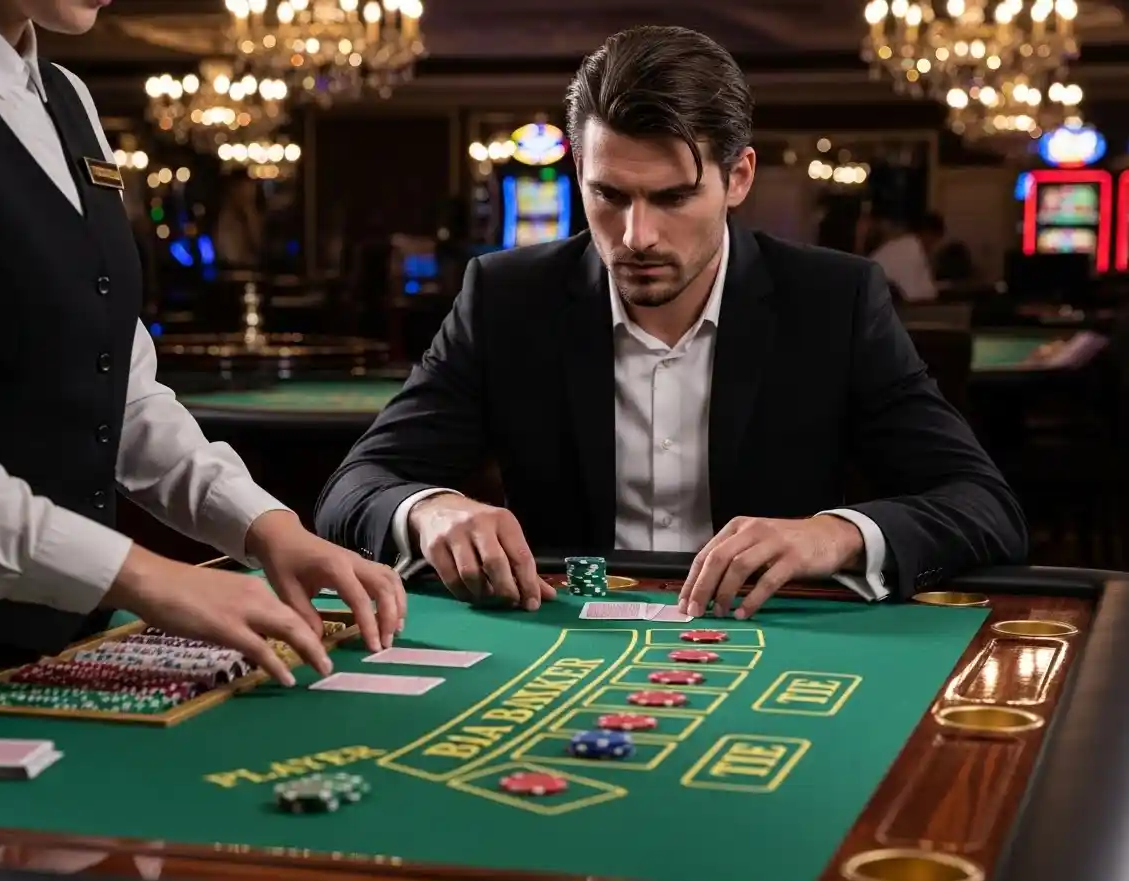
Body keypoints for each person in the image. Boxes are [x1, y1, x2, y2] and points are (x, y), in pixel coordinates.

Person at [315, 25, 1027, 621]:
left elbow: (983, 506)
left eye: (673, 197)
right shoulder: (507, 297)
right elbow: (355, 487)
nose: (636, 235)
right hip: (559, 634)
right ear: (578, 173)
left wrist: (832, 535)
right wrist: (429, 510)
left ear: (737, 179)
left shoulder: (832, 299)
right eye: (609, 195)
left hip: (771, 640)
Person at [0, 0, 405, 690]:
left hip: (52, 653)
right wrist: (143, 575)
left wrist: (266, 526)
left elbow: (120, 389)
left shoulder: (68, 98)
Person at [868, 211, 938, 302]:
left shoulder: (902, 245)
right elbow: (915, 295)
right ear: (930, 235)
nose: (935, 247)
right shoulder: (911, 250)